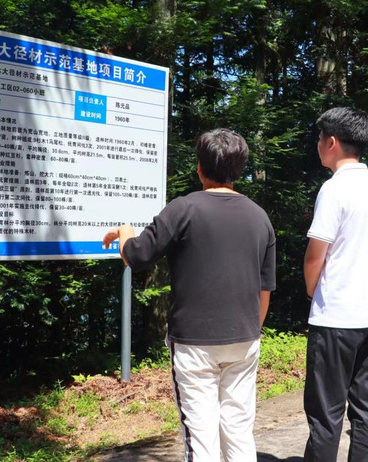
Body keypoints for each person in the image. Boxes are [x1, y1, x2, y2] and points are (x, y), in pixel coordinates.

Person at [102, 129, 276, 462]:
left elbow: (136, 255)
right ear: (239, 169)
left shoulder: (183, 209)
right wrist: (252, 330)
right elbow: (264, 287)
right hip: (245, 339)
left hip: (194, 344)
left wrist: (125, 232)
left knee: (201, 437)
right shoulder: (259, 216)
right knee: (239, 430)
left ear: (199, 168)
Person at [303, 107, 368, 462]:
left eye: (319, 138)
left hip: (337, 316)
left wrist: (312, 291)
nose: (317, 145)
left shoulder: (334, 188)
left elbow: (315, 255)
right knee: (366, 408)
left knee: (325, 414)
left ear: (332, 142)